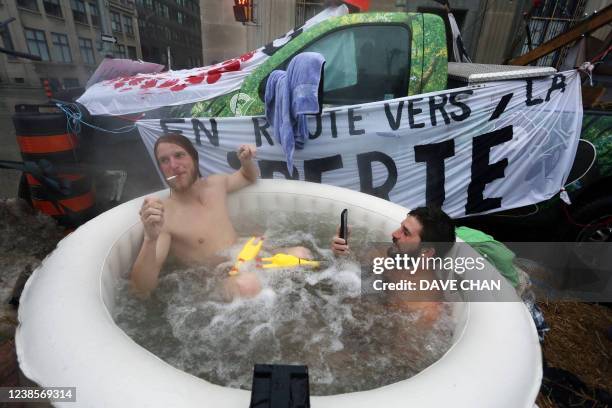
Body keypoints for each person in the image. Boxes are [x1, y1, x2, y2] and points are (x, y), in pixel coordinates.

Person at [131, 133, 310, 299]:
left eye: (179, 155)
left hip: (245, 255)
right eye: (164, 160)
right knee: (247, 284)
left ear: (194, 158)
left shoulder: (216, 184)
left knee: (303, 255)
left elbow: (248, 177)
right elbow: (143, 288)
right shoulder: (165, 215)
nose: (173, 165)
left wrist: (246, 161)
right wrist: (150, 239)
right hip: (216, 278)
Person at [331, 206, 456, 326]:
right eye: (401, 227)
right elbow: (349, 266)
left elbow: (401, 345)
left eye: (405, 233)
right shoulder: (392, 255)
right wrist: (339, 251)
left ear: (427, 252)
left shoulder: (425, 306)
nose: (395, 233)